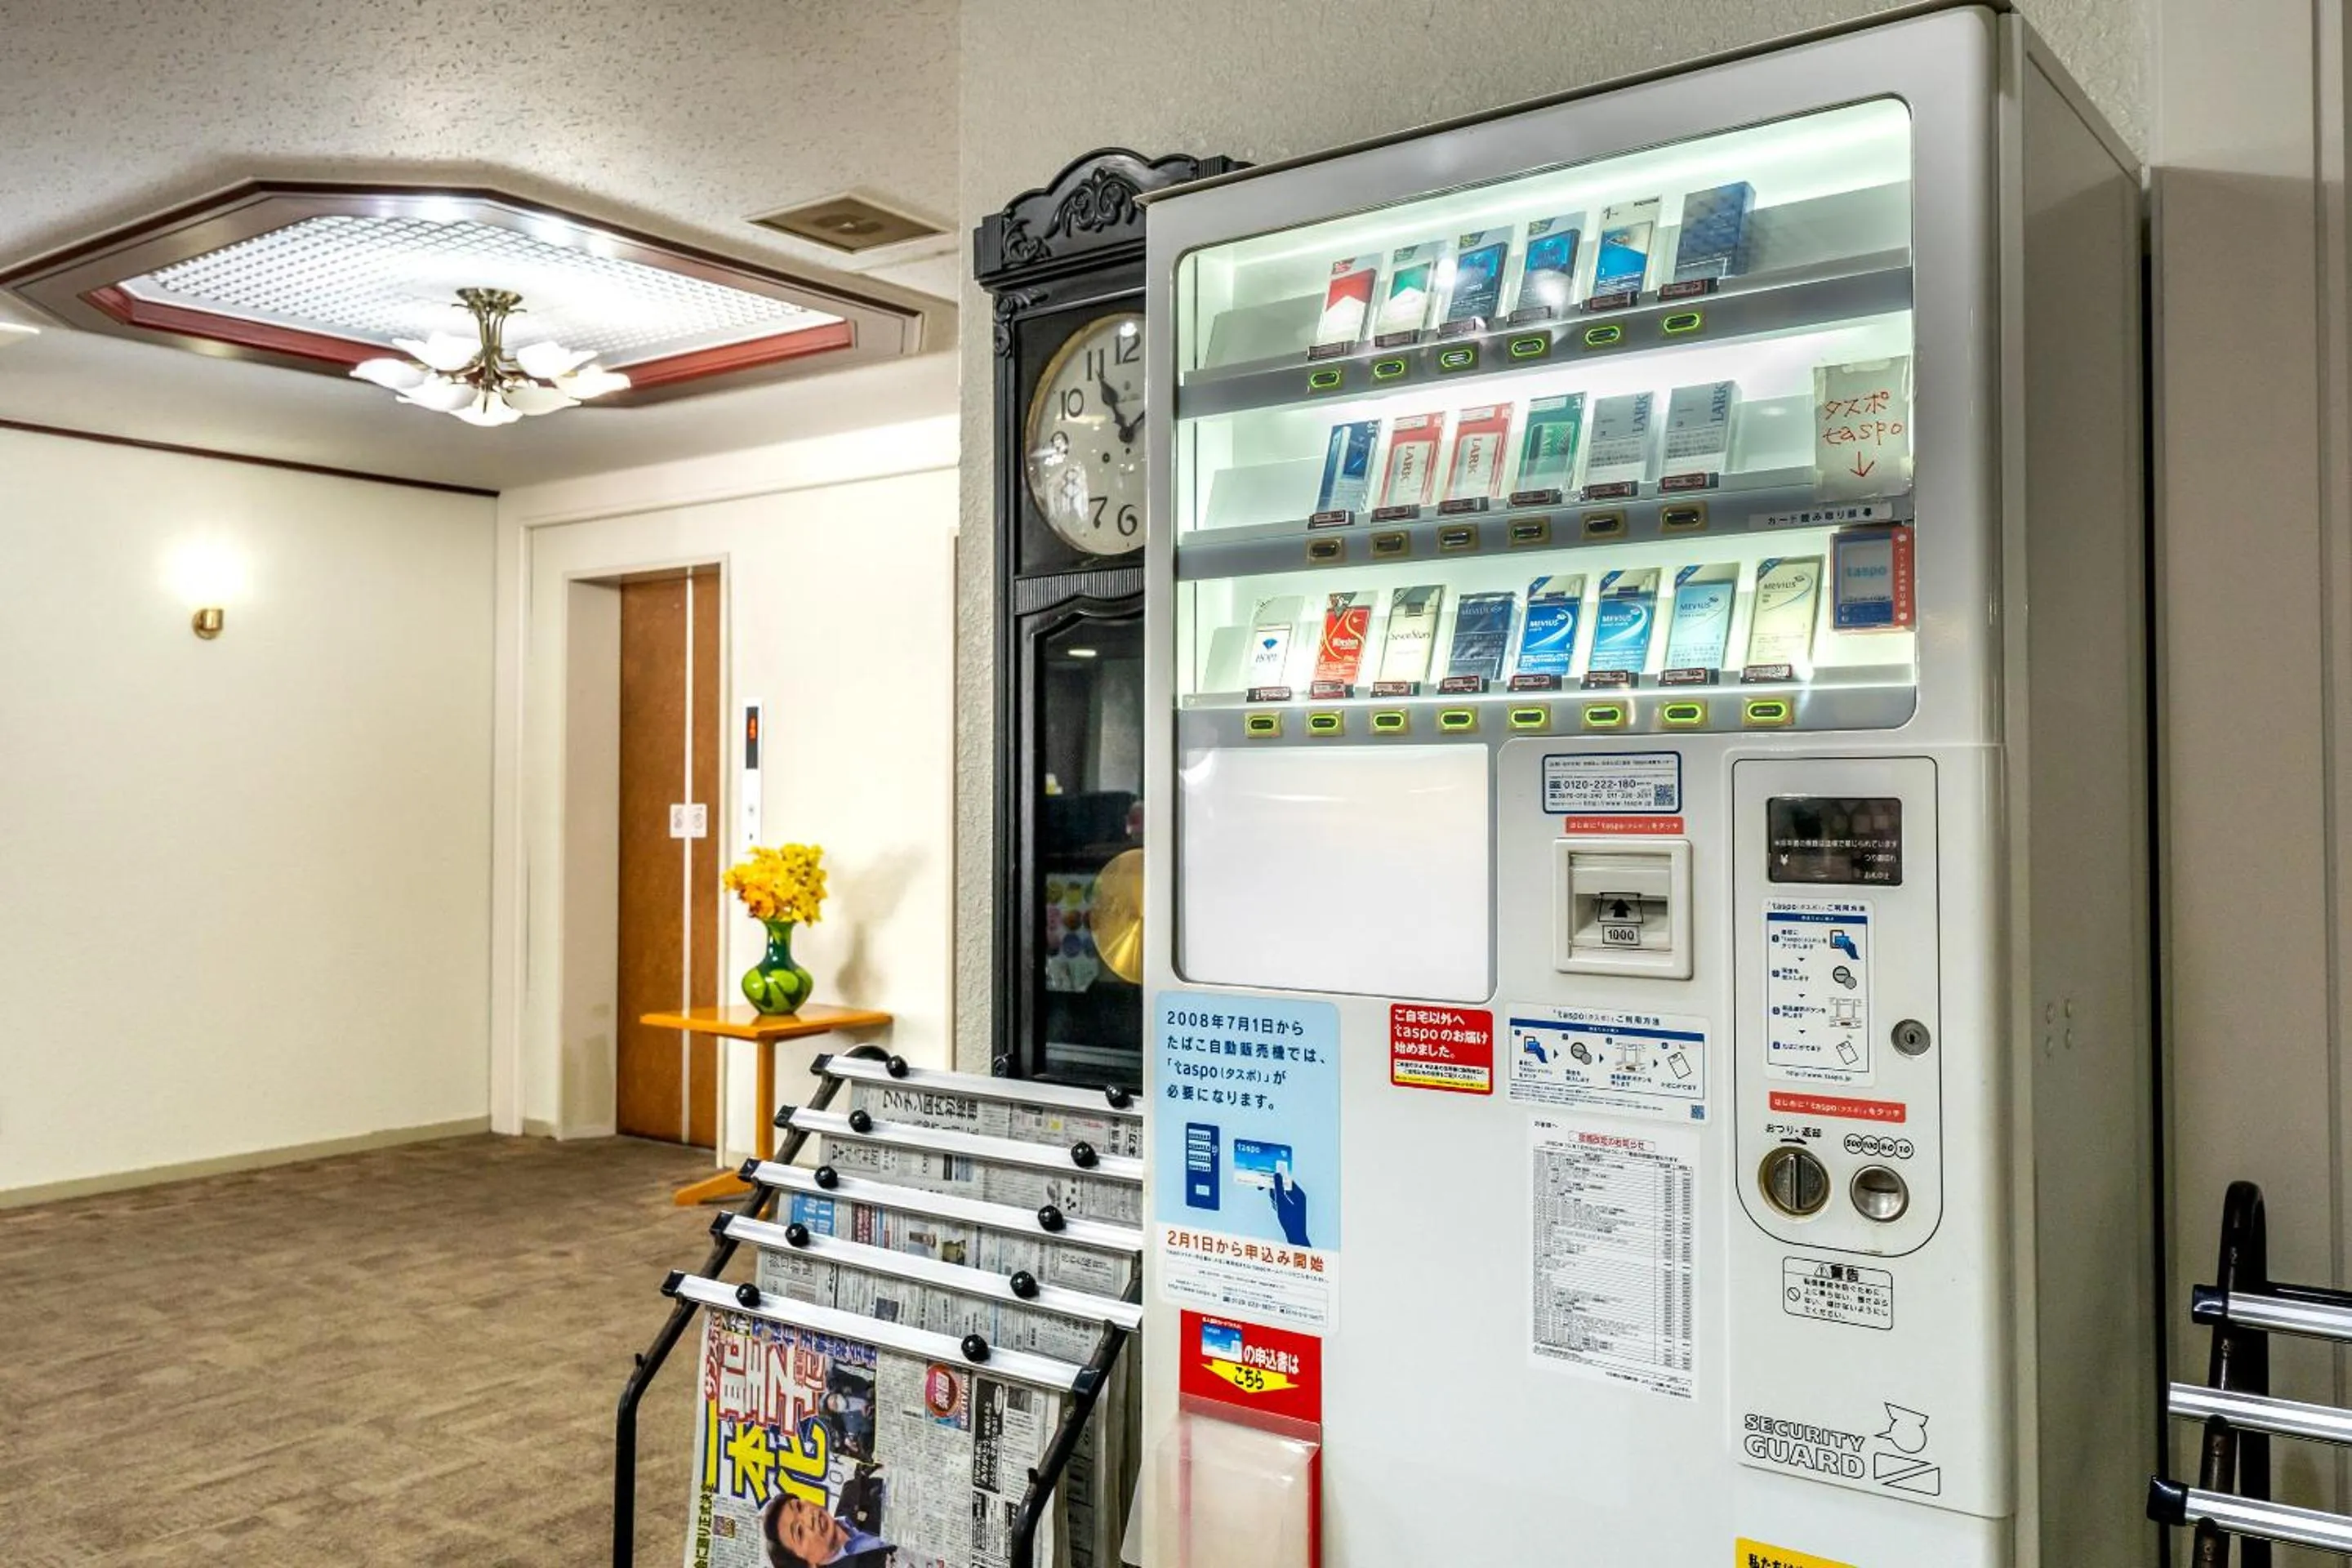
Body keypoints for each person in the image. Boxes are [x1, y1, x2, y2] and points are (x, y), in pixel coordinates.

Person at [760, 1468, 893, 1568]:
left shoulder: (853, 1492)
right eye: (800, 1532)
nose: (809, 1517)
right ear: (809, 1565)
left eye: (800, 1507)